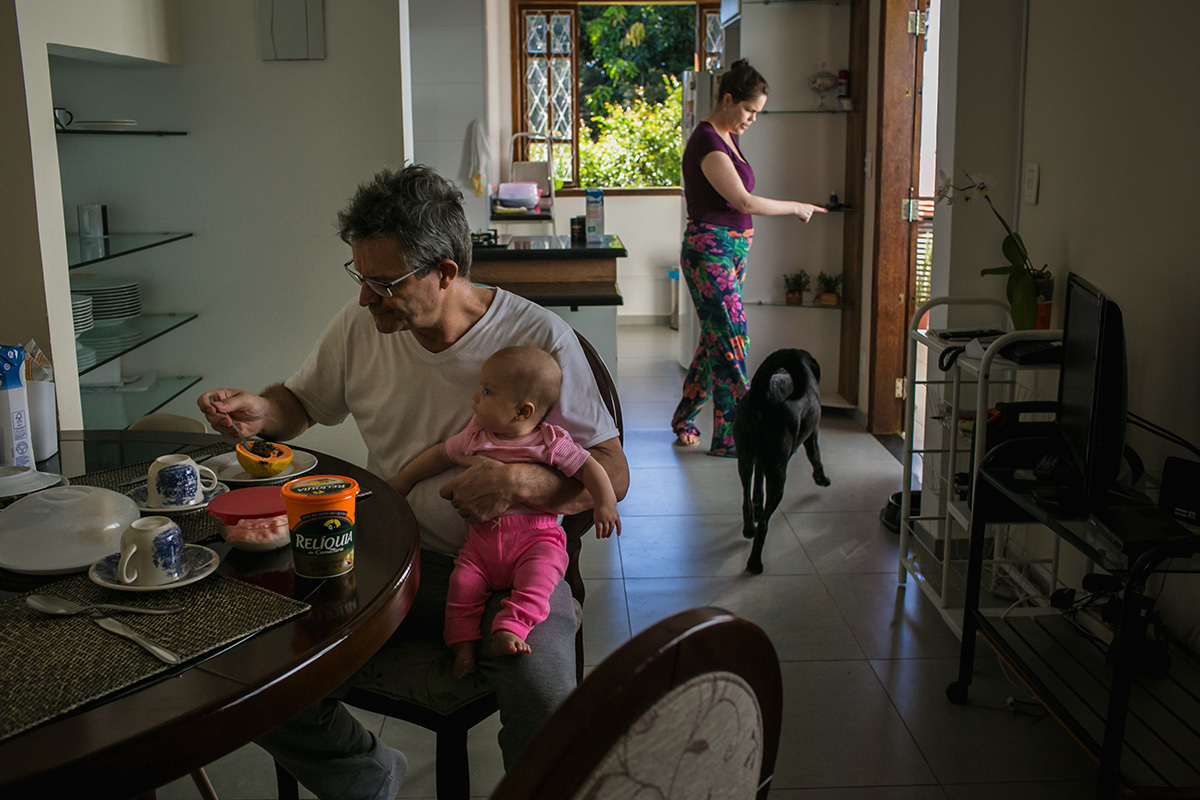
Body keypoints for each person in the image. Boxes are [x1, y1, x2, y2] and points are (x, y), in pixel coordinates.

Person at [196, 164, 628, 800]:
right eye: (360, 278)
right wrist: (262, 412)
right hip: (388, 562)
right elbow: (300, 402)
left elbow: (611, 469)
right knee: (257, 680)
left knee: (546, 705)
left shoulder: (536, 339)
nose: (365, 299)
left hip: (515, 571)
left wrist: (519, 483)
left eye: (384, 283)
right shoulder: (359, 328)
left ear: (446, 272)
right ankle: (368, 777)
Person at [391, 344, 621, 680]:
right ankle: (462, 644)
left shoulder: (550, 442)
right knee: (462, 586)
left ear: (522, 412)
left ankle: (511, 627)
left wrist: (605, 503)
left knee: (539, 580)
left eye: (487, 391)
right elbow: (439, 455)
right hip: (481, 546)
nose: (475, 397)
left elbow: (590, 467)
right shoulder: (475, 438)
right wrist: (404, 480)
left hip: (537, 541)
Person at [672, 58, 828, 457]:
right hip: (710, 251)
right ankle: (733, 437)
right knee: (732, 340)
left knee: (717, 339)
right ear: (727, 100)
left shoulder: (727, 137)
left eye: (757, 113)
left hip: (731, 252)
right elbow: (742, 201)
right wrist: (796, 207)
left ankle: (685, 418)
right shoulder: (707, 142)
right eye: (749, 110)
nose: (753, 119)